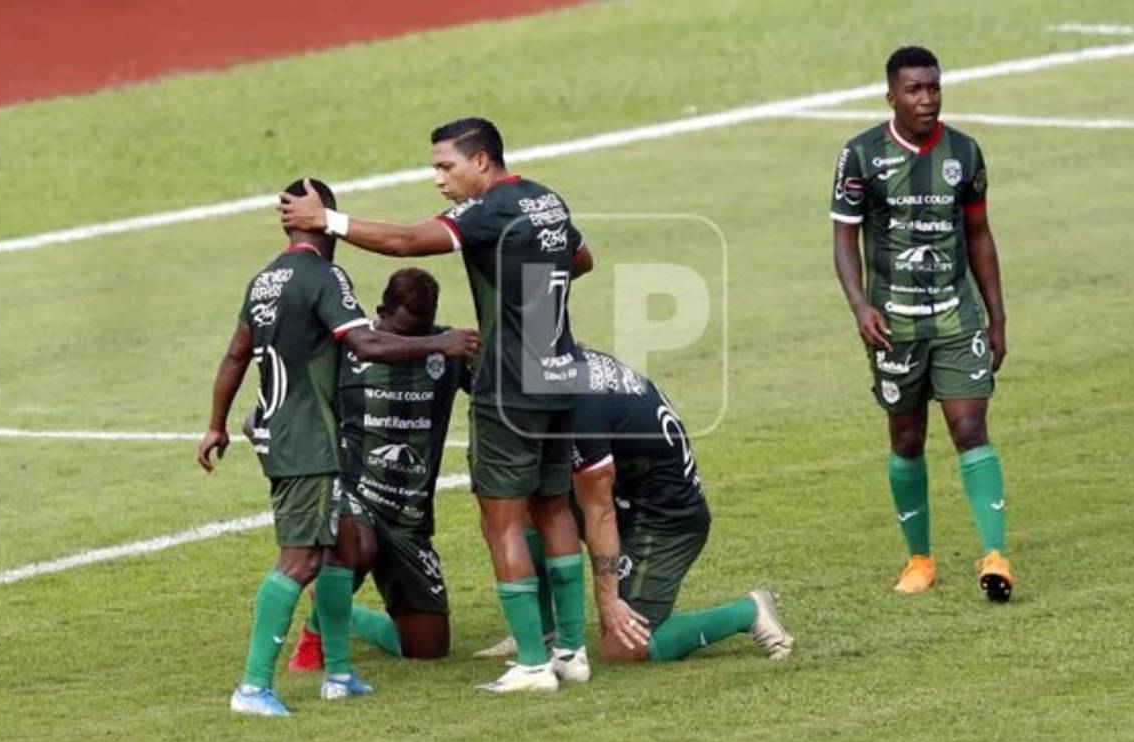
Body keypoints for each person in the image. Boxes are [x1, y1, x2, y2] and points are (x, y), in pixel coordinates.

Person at [280, 117, 594, 692]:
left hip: (511, 387)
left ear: (482, 162)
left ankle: (530, 664)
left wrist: (325, 220)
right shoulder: (548, 201)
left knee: (502, 521)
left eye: (445, 165)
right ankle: (571, 652)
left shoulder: (490, 209)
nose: (437, 178)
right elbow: (581, 261)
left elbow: (404, 241)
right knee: (553, 509)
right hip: (559, 376)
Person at [197, 178, 479, 718]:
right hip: (308, 440)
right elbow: (367, 342)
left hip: (286, 433)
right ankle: (252, 687)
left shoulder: (264, 281)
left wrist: (216, 425)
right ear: (322, 216)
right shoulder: (324, 276)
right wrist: (440, 343)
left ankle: (340, 673)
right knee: (299, 559)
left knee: (337, 550)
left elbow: (236, 356)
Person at [830, 46, 1015, 602]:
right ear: (892, 95)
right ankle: (920, 559)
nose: (927, 99)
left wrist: (997, 316)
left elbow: (979, 234)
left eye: (934, 87)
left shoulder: (964, 152)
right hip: (895, 326)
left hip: (957, 319)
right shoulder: (861, 156)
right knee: (907, 437)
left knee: (968, 429)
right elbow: (843, 239)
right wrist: (861, 307)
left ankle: (995, 557)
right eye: (914, 89)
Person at [486, 348, 795, 663]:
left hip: (666, 523)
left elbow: (600, 512)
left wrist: (607, 601)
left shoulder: (580, 411)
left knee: (625, 647)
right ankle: (542, 633)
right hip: (631, 499)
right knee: (522, 504)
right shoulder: (565, 365)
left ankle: (749, 611)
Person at [279, 267, 471, 668]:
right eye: (402, 333)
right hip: (354, 496)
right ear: (380, 312)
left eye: (422, 333)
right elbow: (291, 404)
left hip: (409, 518)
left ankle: (341, 613)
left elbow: (502, 391)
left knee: (428, 650)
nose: (413, 343)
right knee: (357, 545)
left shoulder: (449, 351)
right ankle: (316, 640)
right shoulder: (345, 347)